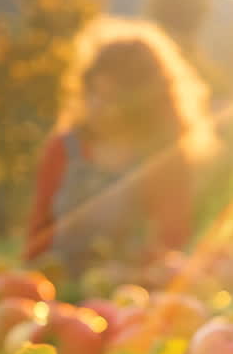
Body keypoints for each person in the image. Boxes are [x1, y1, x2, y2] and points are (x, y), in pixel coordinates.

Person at [24, 17, 219, 275]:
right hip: (58, 287)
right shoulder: (63, 149)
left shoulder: (163, 158)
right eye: (93, 93)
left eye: (111, 98)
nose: (97, 106)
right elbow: (38, 234)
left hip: (132, 295)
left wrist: (134, 273)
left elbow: (171, 242)